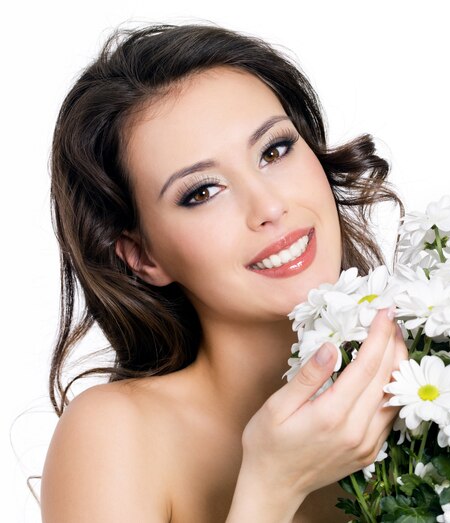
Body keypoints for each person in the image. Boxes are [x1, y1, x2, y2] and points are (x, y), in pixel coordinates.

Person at [40, 23, 407, 522]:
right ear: (143, 255)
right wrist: (272, 487)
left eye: (274, 151)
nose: (269, 207)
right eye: (202, 192)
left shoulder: (425, 384)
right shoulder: (116, 434)